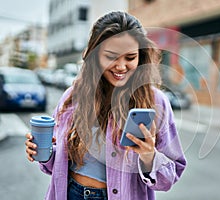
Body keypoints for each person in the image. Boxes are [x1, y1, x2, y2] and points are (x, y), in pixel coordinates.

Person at [25, 11, 186, 200]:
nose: (121, 66)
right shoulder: (73, 96)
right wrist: (43, 153)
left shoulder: (156, 102)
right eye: (111, 56)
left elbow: (171, 174)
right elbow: (56, 165)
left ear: (140, 57)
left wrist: (149, 156)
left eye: (130, 57)